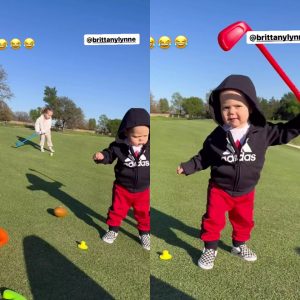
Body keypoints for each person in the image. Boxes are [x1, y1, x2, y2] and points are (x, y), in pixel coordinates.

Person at [177, 74, 300, 270]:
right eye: (226, 108)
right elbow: (204, 157)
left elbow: (286, 132)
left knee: (244, 220)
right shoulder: (216, 136)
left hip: (246, 191)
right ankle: (210, 248)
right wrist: (189, 166)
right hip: (219, 189)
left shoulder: (263, 131)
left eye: (238, 106)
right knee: (213, 219)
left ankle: (239, 245)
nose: (231, 112)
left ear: (250, 107)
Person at [93, 108, 150, 250]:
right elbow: (109, 154)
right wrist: (102, 157)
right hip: (122, 188)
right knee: (116, 210)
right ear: (126, 132)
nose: (141, 139)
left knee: (143, 213)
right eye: (137, 136)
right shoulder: (119, 146)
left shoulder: (150, 147)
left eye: (145, 135)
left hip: (143, 190)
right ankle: (113, 230)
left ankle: (144, 233)